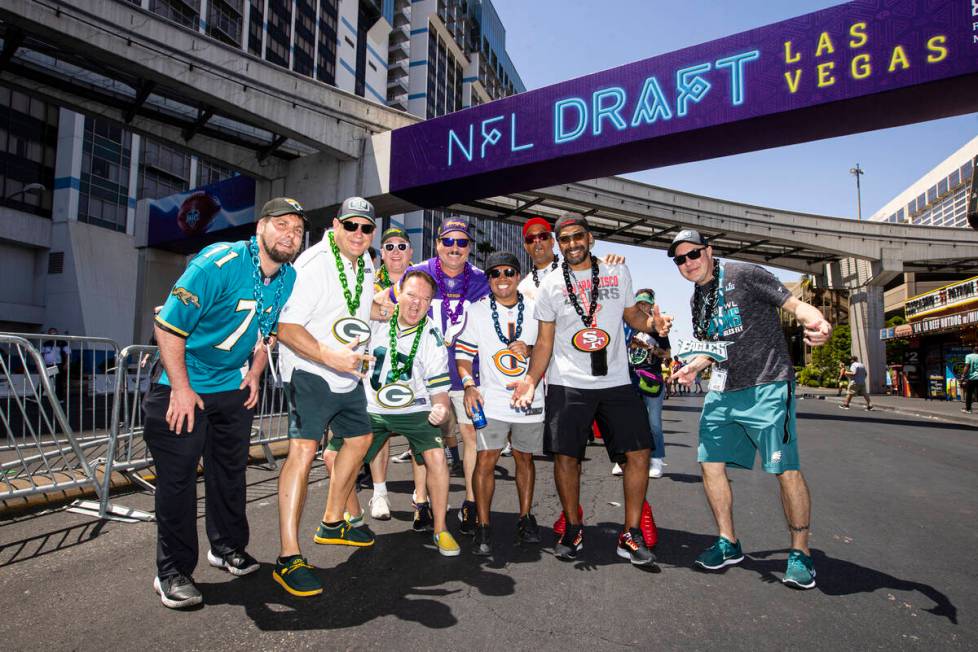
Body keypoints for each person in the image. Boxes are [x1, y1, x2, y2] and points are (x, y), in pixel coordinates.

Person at [144, 197, 304, 609]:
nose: (290, 234)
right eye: (282, 224)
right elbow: (168, 325)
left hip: (231, 389)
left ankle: (227, 546)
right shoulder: (219, 261)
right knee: (178, 482)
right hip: (183, 387)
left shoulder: (287, 277)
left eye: (298, 230)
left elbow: (266, 331)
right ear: (261, 228)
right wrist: (181, 388)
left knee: (230, 472)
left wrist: (254, 373)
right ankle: (173, 571)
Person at [669, 228, 831, 590]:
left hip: (768, 385)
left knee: (784, 468)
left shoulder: (745, 274)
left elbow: (796, 305)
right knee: (709, 464)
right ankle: (728, 542)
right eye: (680, 260)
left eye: (693, 254)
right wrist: (693, 367)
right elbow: (713, 348)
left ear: (709, 251)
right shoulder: (698, 298)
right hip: (724, 390)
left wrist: (819, 323)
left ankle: (800, 552)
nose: (688, 263)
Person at [512, 212, 672, 568]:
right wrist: (530, 380)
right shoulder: (551, 285)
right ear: (559, 243)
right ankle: (573, 527)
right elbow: (544, 342)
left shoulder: (617, 272)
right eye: (565, 238)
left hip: (616, 380)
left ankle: (630, 533)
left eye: (577, 236)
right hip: (569, 383)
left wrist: (653, 325)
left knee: (639, 452)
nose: (572, 244)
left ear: (591, 237)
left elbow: (632, 316)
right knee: (566, 457)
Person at [273, 197, 394, 598]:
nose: (359, 234)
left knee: (360, 439)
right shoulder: (313, 264)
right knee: (303, 454)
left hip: (346, 373)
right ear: (336, 225)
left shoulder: (366, 262)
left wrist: (379, 311)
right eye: (352, 226)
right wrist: (330, 355)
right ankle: (288, 558)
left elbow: (351, 308)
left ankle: (331, 520)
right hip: (310, 371)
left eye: (366, 228)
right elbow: (286, 328)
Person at [326, 270, 460, 556]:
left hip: (414, 409)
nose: (416, 304)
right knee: (332, 455)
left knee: (436, 457)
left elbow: (439, 390)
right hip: (372, 408)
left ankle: (440, 529)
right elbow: (350, 314)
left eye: (425, 299)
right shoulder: (375, 322)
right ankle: (355, 518)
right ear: (398, 294)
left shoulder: (432, 335)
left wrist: (440, 408)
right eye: (411, 295)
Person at [455, 252, 544, 556]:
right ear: (489, 279)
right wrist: (468, 386)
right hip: (492, 401)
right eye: (495, 274)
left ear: (518, 276)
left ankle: (525, 517)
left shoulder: (536, 310)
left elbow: (552, 348)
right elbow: (463, 356)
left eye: (508, 272)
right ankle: (483, 524)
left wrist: (529, 348)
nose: (502, 279)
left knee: (524, 459)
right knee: (485, 460)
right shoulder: (477, 311)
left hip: (530, 397)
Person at [405, 219, 489, 535]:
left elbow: (518, 298)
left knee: (471, 438)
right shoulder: (421, 272)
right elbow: (388, 300)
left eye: (462, 243)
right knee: (425, 440)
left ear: (468, 247)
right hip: (426, 375)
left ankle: (469, 501)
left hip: (469, 374)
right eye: (448, 242)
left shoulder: (481, 279)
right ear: (438, 243)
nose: (455, 248)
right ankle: (421, 501)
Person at [364, 226, 417, 520]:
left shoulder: (421, 284)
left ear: (410, 252)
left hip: (413, 369)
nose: (396, 251)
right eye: (390, 247)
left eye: (401, 246)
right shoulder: (369, 284)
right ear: (381, 254)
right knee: (380, 434)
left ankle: (422, 494)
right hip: (378, 370)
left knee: (419, 435)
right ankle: (380, 493)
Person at [620, 288, 670, 479]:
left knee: (654, 423)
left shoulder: (657, 328)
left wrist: (648, 347)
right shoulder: (627, 325)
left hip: (652, 380)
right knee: (628, 422)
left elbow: (668, 356)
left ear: (651, 305)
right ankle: (623, 461)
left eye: (646, 303)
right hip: (630, 379)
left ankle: (656, 460)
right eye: (639, 303)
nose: (642, 306)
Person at [962, 345, 978, 413]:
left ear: (973, 350)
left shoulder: (969, 356)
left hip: (972, 378)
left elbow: (967, 366)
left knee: (969, 394)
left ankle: (968, 409)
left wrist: (963, 375)